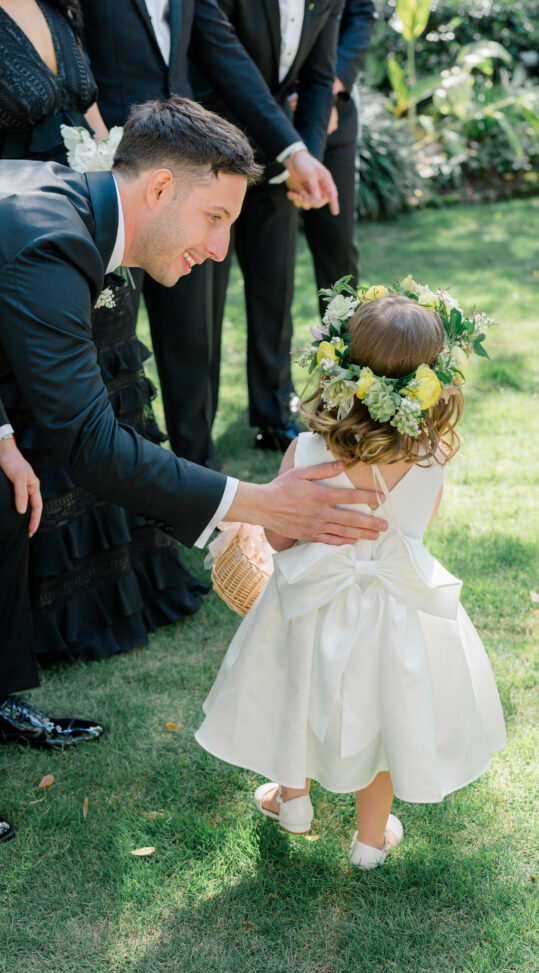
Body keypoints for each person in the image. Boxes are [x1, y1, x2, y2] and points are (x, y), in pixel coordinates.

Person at [0, 97, 387, 842]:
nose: (219, 246)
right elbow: (92, 446)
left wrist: (0, 439)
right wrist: (256, 503)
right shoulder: (48, 243)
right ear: (159, 190)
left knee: (1, 509)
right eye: (214, 217)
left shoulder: (64, 211)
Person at [0, 0, 208, 666]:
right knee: (44, 410)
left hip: (91, 232)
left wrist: (118, 217)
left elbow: (97, 127)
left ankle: (131, 587)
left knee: (107, 395)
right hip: (19, 241)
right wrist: (61, 216)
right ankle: (49, 618)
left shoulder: (53, 4)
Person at [196, 283, 506, 868]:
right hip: (396, 611)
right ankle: (369, 842)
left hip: (310, 603)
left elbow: (281, 536)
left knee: (299, 694)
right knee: (384, 721)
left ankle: (293, 803)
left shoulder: (309, 453)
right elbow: (415, 528)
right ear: (429, 381)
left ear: (342, 367)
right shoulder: (431, 458)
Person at [81, 0, 339, 468]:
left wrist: (294, 150)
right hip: (115, 174)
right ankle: (112, 472)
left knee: (193, 332)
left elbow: (224, 53)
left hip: (191, 170)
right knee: (108, 338)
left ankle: (200, 469)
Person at [195, 0, 343, 453]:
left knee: (274, 289)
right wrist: (293, 151)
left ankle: (274, 415)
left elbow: (319, 77)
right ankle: (197, 433)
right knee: (203, 298)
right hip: (211, 150)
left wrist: (306, 158)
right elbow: (228, 64)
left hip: (279, 159)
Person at [303, 0, 375, 312]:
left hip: (337, 116)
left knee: (339, 250)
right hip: (266, 109)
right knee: (269, 268)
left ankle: (344, 357)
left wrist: (326, 93)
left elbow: (361, 15)